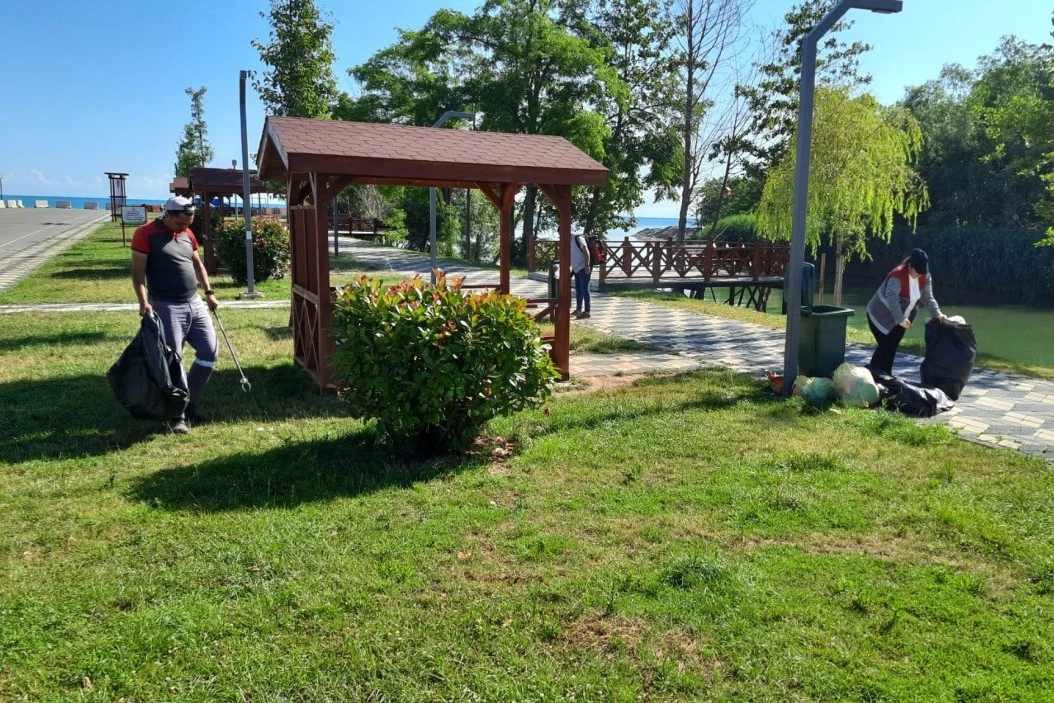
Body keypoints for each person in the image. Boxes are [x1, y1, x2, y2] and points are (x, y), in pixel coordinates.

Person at [131, 196, 220, 434]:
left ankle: (189, 403)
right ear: (167, 215)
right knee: (173, 359)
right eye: (180, 223)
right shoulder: (145, 234)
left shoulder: (187, 233)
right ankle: (176, 415)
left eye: (188, 223)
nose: (184, 228)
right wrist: (143, 302)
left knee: (209, 351)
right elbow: (138, 274)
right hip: (166, 305)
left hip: (194, 302)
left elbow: (197, 265)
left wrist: (209, 293)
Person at [866, 248, 948, 374]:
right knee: (887, 347)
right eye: (917, 271)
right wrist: (901, 319)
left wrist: (937, 314)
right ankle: (879, 375)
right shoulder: (897, 276)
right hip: (880, 316)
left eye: (922, 272)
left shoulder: (925, 276)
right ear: (910, 266)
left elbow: (927, 297)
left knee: (890, 348)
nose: (919, 275)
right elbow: (892, 298)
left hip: (902, 318)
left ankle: (880, 376)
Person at [570, 233, 591, 319]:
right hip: (576, 269)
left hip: (583, 267)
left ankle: (587, 311)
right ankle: (578, 310)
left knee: (584, 289)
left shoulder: (578, 238)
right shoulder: (569, 241)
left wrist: (587, 265)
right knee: (578, 290)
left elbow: (586, 251)